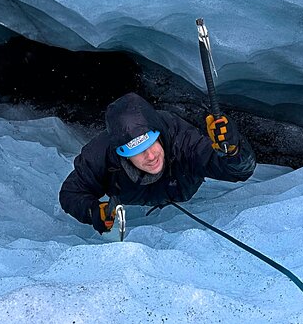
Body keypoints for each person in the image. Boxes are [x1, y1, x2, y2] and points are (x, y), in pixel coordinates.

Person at [59, 92, 256, 234]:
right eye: (137, 151)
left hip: (184, 197)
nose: (151, 156)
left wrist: (232, 150)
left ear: (159, 135)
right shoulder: (100, 155)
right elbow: (71, 193)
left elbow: (239, 171)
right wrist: (92, 210)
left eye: (151, 144)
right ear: (123, 154)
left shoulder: (182, 140)